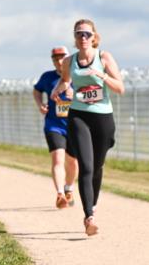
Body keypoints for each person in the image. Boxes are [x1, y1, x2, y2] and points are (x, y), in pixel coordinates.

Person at [52, 18, 125, 236]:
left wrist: (101, 75)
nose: (83, 38)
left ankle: (92, 203)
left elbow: (120, 87)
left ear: (94, 37)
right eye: (78, 34)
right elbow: (65, 81)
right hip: (78, 116)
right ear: (74, 39)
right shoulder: (69, 61)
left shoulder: (104, 57)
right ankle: (89, 217)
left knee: (98, 166)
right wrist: (58, 90)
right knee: (86, 165)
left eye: (86, 34)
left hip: (103, 118)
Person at [34, 46, 79, 209]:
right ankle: (60, 194)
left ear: (68, 59)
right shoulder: (47, 77)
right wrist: (40, 105)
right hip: (54, 125)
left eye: (62, 57)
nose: (59, 61)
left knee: (73, 162)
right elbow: (36, 90)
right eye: (55, 58)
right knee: (58, 158)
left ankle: (69, 189)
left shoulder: (77, 76)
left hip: (74, 125)